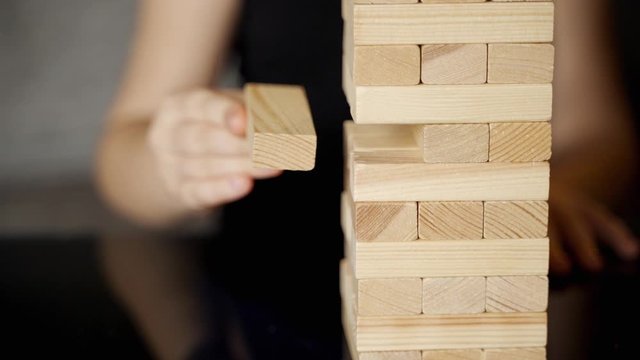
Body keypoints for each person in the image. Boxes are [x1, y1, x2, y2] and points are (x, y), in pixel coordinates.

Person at [95, 0, 639, 359]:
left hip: (480, 274)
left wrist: (537, 194)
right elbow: (124, 147)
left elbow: (599, 133)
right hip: (275, 278)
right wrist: (174, 161)